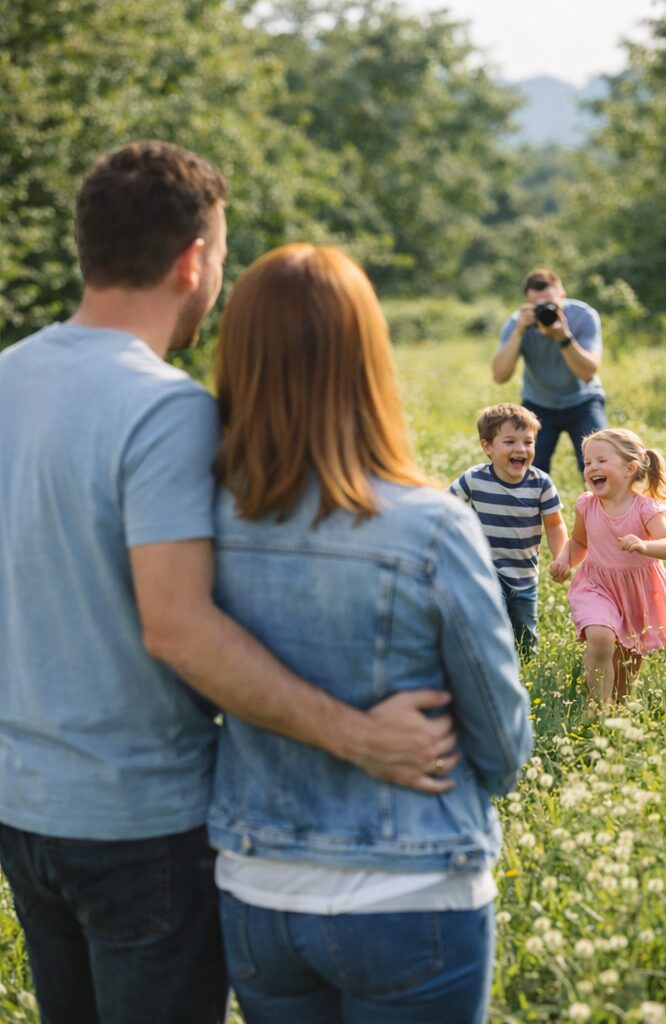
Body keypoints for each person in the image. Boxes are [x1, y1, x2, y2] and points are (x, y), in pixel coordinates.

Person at [0, 141, 454, 1023]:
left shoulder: (5, 377)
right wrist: (360, 736)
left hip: (23, 808)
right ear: (193, 261)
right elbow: (178, 628)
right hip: (141, 825)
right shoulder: (166, 410)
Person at [207, 244, 533, 1023]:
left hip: (259, 890)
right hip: (412, 887)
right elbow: (503, 743)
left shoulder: (198, 522)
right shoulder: (430, 525)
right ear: (368, 359)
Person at [548, 428, 666, 704]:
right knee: (600, 637)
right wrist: (564, 560)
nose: (591, 468)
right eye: (588, 462)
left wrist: (644, 545)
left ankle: (619, 705)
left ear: (630, 468)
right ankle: (599, 709)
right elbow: (579, 542)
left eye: (601, 461)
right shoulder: (586, 505)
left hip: (636, 590)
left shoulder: (645, 509)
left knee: (628, 659)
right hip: (596, 585)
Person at [449, 402, 569, 662]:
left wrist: (562, 556)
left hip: (525, 574)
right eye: (510, 442)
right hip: (487, 569)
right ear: (487, 447)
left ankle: (526, 670)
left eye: (528, 442)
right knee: (495, 625)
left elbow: (555, 524)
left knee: (525, 635)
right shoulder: (474, 479)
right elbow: (446, 507)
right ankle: (492, 665)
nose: (521, 449)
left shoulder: (541, 483)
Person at [490, 268, 606, 474]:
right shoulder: (517, 323)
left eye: (551, 305)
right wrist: (519, 332)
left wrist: (563, 336)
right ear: (527, 304)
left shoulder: (583, 316)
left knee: (602, 463)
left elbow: (588, 373)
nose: (546, 311)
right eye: (538, 307)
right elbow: (500, 376)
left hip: (583, 401)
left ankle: (600, 507)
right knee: (529, 471)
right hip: (538, 404)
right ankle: (537, 506)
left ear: (563, 295)